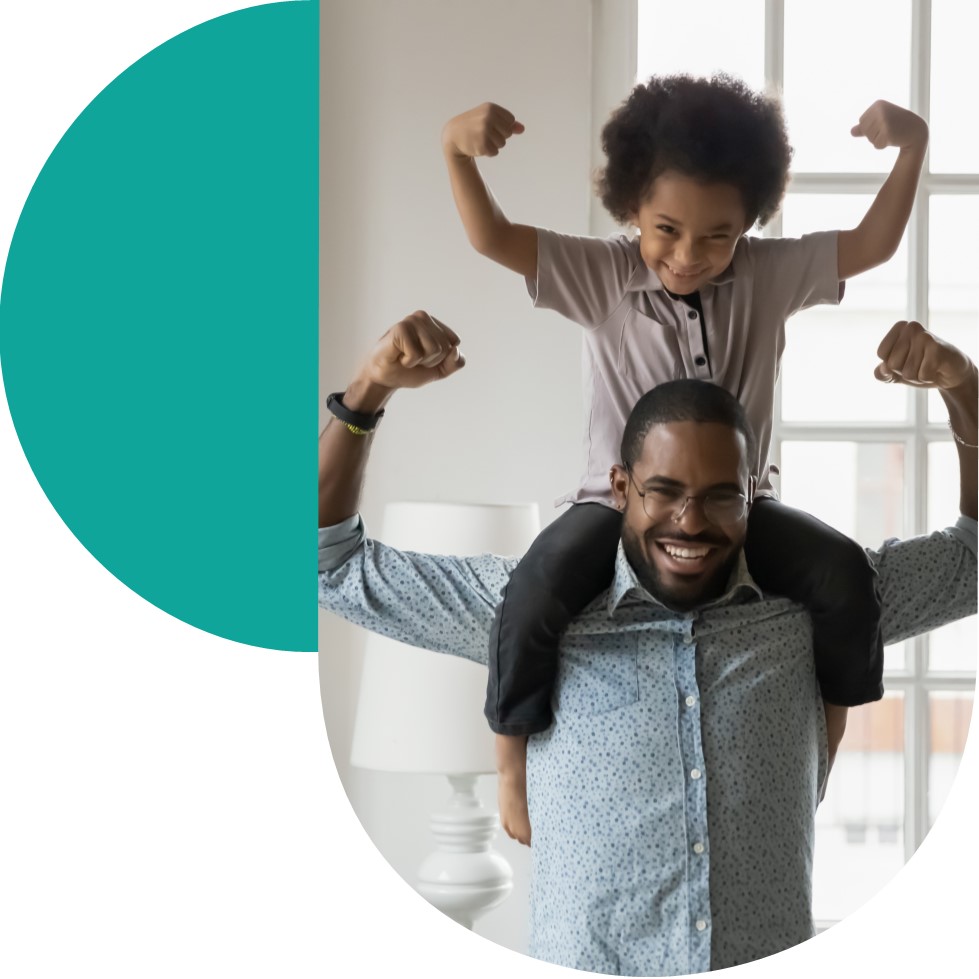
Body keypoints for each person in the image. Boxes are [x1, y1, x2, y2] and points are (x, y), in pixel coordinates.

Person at [318, 311, 977, 975]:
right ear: (619, 487)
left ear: (754, 493)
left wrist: (963, 386)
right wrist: (368, 391)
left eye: (720, 498)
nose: (688, 522)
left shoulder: (821, 604)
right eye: (663, 492)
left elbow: (972, 562)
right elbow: (328, 564)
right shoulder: (531, 606)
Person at [440, 75, 931, 844]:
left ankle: (824, 747)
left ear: (749, 224)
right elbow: (492, 238)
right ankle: (508, 762)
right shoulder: (600, 276)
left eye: (717, 235)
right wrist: (455, 154)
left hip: (743, 508)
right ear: (631, 205)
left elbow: (870, 245)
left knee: (843, 577)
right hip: (615, 509)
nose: (689, 255)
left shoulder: (768, 276)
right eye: (665, 229)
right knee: (531, 591)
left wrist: (912, 150)